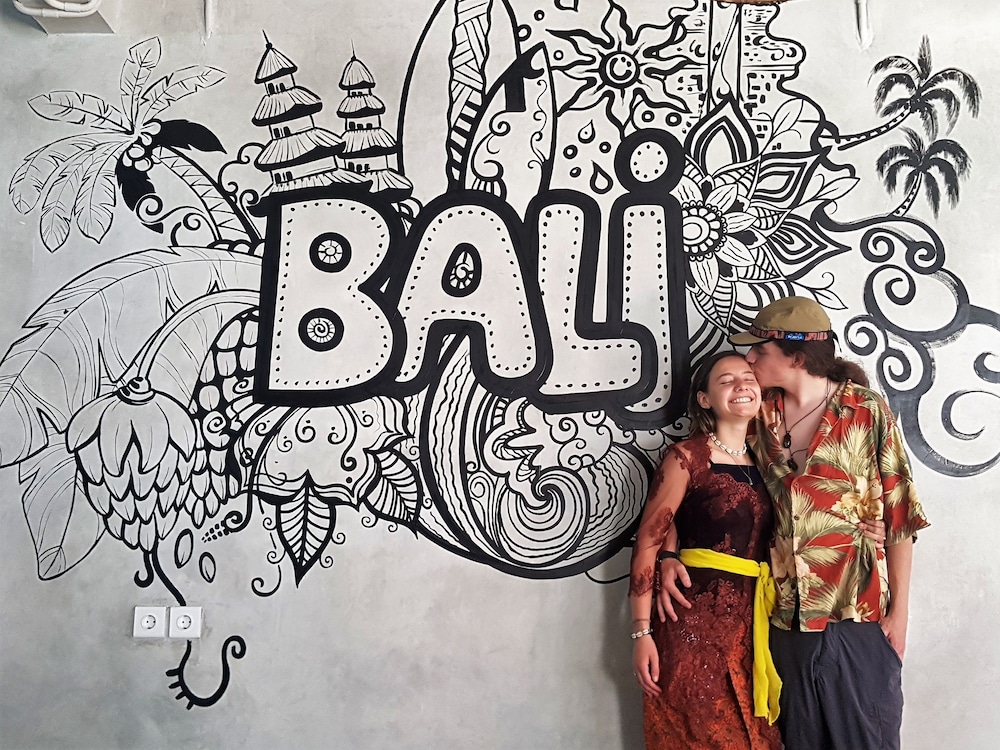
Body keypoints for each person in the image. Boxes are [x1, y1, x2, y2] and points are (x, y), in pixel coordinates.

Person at [659, 296, 928, 750]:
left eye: (760, 350)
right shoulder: (758, 414)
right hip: (785, 620)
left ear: (797, 358)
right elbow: (694, 476)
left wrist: (899, 615)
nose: (749, 359)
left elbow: (902, 519)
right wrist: (667, 551)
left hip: (856, 616)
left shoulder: (866, 411)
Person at [629, 351, 782, 750]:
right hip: (692, 622)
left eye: (748, 377)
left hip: (755, 625)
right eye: (726, 381)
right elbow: (647, 540)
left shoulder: (771, 460)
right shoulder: (687, 457)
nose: (741, 386)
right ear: (704, 399)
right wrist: (641, 631)